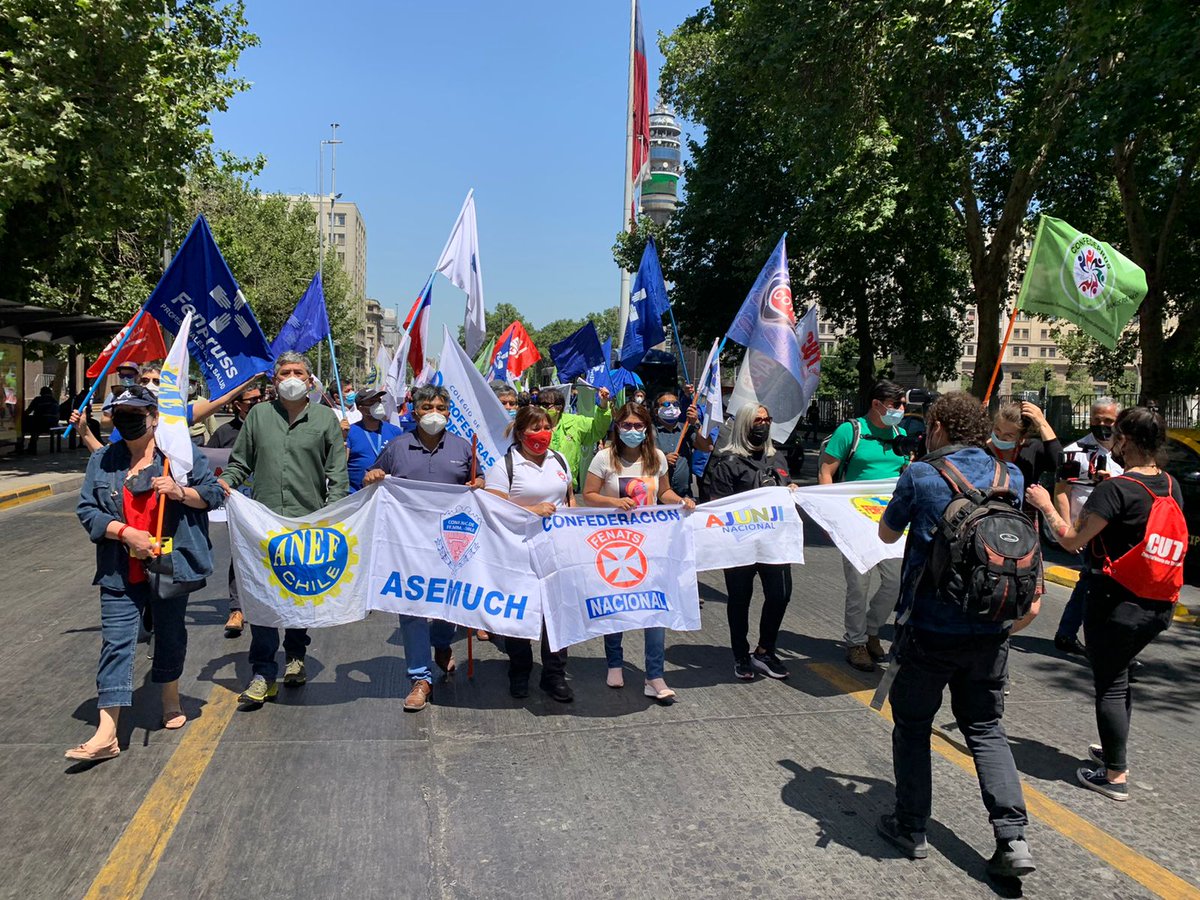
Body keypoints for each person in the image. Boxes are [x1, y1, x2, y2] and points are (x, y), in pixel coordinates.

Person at [876, 391, 1039, 879]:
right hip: (992, 627)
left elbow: (887, 533)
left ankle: (911, 827)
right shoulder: (1010, 475)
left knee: (913, 726)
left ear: (940, 427)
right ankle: (1012, 839)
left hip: (929, 628)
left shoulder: (921, 474)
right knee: (986, 729)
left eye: (928, 426)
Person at [1026, 406, 1181, 802]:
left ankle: (1114, 775)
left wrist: (1045, 503)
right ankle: (1114, 749)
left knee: (1110, 683)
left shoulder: (1115, 490)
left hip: (1115, 602)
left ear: (1125, 441)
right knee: (1121, 674)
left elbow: (1070, 540)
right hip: (1157, 602)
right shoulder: (1168, 483)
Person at [69, 385, 224, 759]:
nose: (127, 420)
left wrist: (179, 492)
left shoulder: (180, 457)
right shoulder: (103, 460)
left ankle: (170, 696)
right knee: (117, 641)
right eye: (119, 414)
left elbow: (214, 494)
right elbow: (88, 510)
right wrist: (125, 533)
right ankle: (107, 732)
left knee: (170, 634)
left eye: (136, 414)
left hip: (170, 565)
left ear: (154, 418)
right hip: (119, 569)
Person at [219, 351, 349, 706]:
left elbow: (337, 473)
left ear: (310, 380)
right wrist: (226, 484)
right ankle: (263, 672)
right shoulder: (259, 416)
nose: (291, 377)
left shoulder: (325, 419)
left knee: (297, 594)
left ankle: (295, 656)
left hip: (306, 525)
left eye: (298, 372)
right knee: (261, 599)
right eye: (285, 372)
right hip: (261, 527)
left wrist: (332, 513)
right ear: (274, 380)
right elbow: (240, 463)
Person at [361, 385, 483, 712]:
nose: (434, 413)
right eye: (427, 407)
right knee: (412, 608)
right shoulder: (397, 447)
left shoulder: (463, 447)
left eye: (441, 407)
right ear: (414, 412)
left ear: (448, 412)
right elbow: (372, 480)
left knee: (447, 603)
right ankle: (420, 678)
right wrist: (373, 476)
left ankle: (442, 642)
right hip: (408, 544)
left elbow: (479, 480)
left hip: (451, 543)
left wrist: (479, 484)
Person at [584, 402, 695, 703]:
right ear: (617, 427)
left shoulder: (656, 457)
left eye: (638, 425)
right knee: (616, 603)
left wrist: (680, 501)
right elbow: (588, 494)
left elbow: (663, 492)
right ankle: (614, 662)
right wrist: (613, 503)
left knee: (655, 608)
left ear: (646, 428)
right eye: (627, 425)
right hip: (614, 545)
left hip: (650, 544)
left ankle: (654, 676)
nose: (633, 430)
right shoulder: (604, 458)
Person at [485, 404, 575, 701]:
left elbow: (569, 498)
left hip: (557, 549)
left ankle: (554, 675)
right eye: (535, 428)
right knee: (520, 611)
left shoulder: (559, 459)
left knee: (556, 614)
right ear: (521, 432)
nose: (543, 434)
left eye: (547, 427)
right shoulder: (504, 466)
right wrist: (531, 510)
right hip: (518, 551)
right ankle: (520, 670)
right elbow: (493, 508)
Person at [818, 380, 909, 672]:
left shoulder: (900, 434)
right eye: (896, 405)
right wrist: (828, 514)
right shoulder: (851, 431)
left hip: (890, 519)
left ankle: (872, 630)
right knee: (859, 584)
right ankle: (856, 642)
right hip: (855, 518)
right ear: (877, 404)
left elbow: (906, 472)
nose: (901, 411)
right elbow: (826, 471)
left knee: (894, 583)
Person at [702, 403, 796, 681]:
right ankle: (741, 654)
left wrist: (791, 489)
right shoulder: (727, 463)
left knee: (780, 595)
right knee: (740, 600)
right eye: (757, 420)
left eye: (767, 419)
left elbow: (785, 490)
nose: (764, 425)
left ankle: (765, 651)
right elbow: (718, 506)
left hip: (774, 544)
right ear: (744, 424)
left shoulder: (776, 458)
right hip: (740, 545)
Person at [1052, 397, 1123, 655]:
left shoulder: (1128, 451)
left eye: (1108, 421)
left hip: (1119, 529)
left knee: (1089, 583)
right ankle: (1103, 644)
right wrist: (1068, 526)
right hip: (1088, 530)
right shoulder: (1074, 452)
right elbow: (1061, 490)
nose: (1102, 425)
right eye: (1097, 420)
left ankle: (1067, 633)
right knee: (1095, 582)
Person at [205, 381, 264, 638]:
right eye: (251, 401)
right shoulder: (224, 433)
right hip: (237, 506)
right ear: (237, 404)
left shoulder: (270, 424)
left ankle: (268, 601)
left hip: (267, 504)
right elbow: (209, 463)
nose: (256, 404)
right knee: (240, 552)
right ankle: (237, 608)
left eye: (259, 399)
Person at [538, 386, 611, 491]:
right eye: (540, 405)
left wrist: (603, 404)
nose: (542, 408)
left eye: (545, 405)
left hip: (567, 486)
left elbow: (598, 428)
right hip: (539, 484)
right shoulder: (532, 424)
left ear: (558, 407)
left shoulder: (575, 422)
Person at [652, 390, 713, 500]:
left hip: (685, 496)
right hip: (658, 497)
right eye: (666, 404)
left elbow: (707, 447)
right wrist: (662, 460)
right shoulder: (650, 431)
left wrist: (696, 423)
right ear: (656, 411)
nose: (671, 407)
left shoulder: (686, 429)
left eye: (675, 404)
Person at [345, 388, 404, 492]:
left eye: (379, 401)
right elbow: (341, 465)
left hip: (386, 495)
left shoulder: (395, 431)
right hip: (357, 495)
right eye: (372, 402)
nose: (378, 405)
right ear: (361, 408)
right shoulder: (350, 432)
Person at [20, 386, 60, 453]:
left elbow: (28, 411)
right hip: (53, 423)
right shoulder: (55, 401)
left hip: (40, 423)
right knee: (36, 423)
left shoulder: (38, 400)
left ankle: (23, 446)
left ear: (41, 393)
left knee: (25, 423)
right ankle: (31, 446)